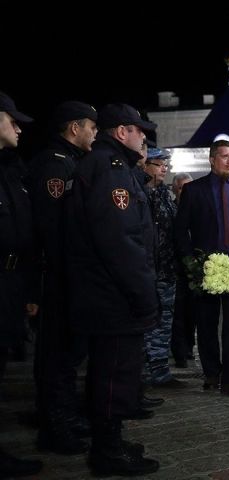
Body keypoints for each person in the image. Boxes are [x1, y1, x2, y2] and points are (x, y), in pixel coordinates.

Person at [64, 103, 160, 475]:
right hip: (113, 295)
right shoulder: (110, 168)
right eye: (139, 131)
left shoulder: (107, 165)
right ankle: (107, 452)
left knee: (113, 371)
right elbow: (120, 241)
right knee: (113, 374)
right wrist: (142, 293)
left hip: (106, 291)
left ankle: (112, 440)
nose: (143, 138)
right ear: (121, 132)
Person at [26, 101, 97, 455]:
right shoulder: (55, 166)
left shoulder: (69, 162)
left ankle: (64, 416)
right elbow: (53, 228)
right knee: (57, 355)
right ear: (74, 128)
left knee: (67, 352)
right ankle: (55, 427)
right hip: (55, 275)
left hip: (65, 274)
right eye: (91, 127)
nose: (95, 133)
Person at [175, 139, 229, 397]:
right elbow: (181, 231)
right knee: (206, 323)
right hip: (206, 268)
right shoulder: (193, 190)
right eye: (224, 156)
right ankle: (212, 374)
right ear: (212, 159)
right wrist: (191, 263)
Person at [0, 91, 44, 478]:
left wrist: (28, 291)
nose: (18, 127)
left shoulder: (13, 169)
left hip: (11, 283)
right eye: (10, 119)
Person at [141, 148, 184, 388]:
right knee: (149, 325)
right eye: (159, 164)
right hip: (149, 271)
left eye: (166, 165)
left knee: (164, 323)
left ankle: (160, 371)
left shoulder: (165, 195)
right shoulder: (142, 194)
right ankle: (146, 372)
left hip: (167, 270)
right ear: (146, 166)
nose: (164, 169)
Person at [169, 172, 195, 368]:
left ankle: (188, 346)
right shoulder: (170, 209)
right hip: (176, 268)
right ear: (175, 189)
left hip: (194, 268)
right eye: (182, 189)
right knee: (178, 312)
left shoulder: (198, 209)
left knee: (192, 313)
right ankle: (179, 351)